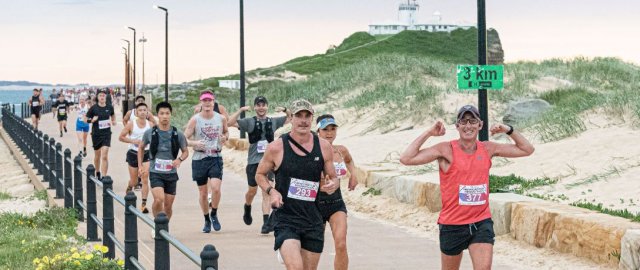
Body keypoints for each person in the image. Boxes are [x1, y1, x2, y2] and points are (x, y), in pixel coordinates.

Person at [399, 105, 535, 270]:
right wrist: (429, 133)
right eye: (463, 121)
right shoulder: (446, 150)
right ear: (457, 126)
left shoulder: (488, 148)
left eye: (472, 121)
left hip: (481, 223)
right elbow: (406, 158)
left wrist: (508, 130)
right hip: (452, 224)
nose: (468, 126)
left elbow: (527, 149)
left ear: (480, 125)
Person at [255, 99, 339, 270]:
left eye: (307, 116)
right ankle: (285, 248)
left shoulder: (323, 147)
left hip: (313, 219)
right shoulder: (277, 147)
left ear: (312, 118)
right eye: (298, 116)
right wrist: (271, 191)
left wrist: (333, 184)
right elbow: (260, 174)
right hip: (286, 218)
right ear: (291, 118)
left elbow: (333, 177)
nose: (303, 120)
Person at [228, 96, 291, 234]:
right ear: (255, 107)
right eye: (258, 105)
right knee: (252, 191)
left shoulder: (273, 121)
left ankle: (266, 223)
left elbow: (291, 118)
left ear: (267, 107)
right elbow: (229, 123)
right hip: (253, 162)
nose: (261, 107)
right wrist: (240, 110)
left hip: (268, 162)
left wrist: (285, 110)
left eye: (263, 105)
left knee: (266, 191)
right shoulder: (249, 122)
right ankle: (247, 206)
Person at [315, 114, 358, 270]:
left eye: (333, 129)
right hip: (315, 205)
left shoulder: (340, 150)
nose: (329, 133)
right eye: (325, 129)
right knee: (313, 248)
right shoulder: (311, 151)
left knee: (341, 244)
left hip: (336, 203)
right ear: (317, 131)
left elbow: (349, 160)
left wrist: (353, 174)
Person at [184, 90, 229, 233]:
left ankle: (214, 213)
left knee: (216, 188)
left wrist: (225, 138)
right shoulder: (195, 119)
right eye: (205, 100)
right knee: (203, 193)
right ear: (201, 102)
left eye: (210, 100)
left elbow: (227, 132)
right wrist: (194, 143)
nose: (207, 103)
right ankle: (206, 219)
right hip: (200, 158)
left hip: (215, 156)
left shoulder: (221, 118)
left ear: (213, 102)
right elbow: (184, 139)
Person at [139, 102, 189, 221]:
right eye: (162, 113)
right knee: (158, 199)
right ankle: (157, 224)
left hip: (171, 174)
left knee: (168, 206)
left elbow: (185, 152)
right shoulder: (150, 132)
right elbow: (141, 147)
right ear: (158, 115)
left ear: (171, 115)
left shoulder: (178, 134)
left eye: (167, 113)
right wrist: (140, 165)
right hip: (156, 172)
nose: (165, 116)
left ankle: (164, 227)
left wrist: (179, 160)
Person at [119, 102, 153, 213]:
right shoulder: (131, 124)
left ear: (147, 112)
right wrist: (133, 140)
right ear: (136, 112)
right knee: (134, 181)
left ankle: (143, 204)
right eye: (140, 110)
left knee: (144, 177)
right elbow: (121, 137)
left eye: (145, 110)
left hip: (147, 154)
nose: (143, 112)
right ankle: (130, 187)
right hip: (133, 153)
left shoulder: (151, 124)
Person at [85, 89, 116, 180]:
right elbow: (85, 119)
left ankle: (104, 176)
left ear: (106, 97)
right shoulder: (93, 108)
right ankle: (97, 172)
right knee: (97, 155)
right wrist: (92, 120)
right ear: (97, 98)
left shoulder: (110, 107)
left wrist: (113, 121)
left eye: (103, 95)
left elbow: (113, 115)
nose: (102, 97)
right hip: (96, 134)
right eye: (100, 95)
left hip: (106, 134)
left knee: (105, 155)